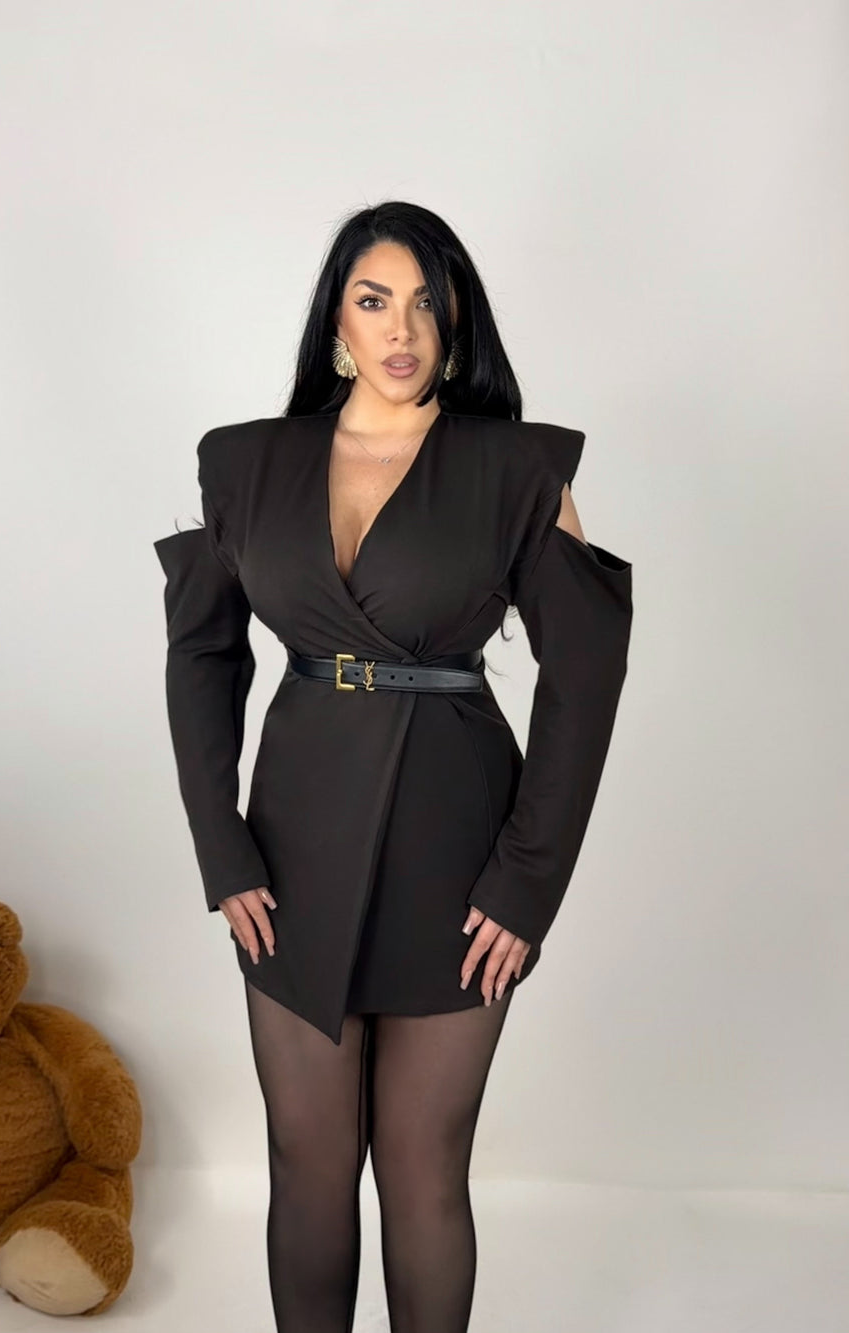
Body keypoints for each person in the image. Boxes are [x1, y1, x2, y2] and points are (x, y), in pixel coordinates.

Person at [154, 200, 633, 1333]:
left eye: (426, 302)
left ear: (456, 321)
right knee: (306, 1161)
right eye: (374, 301)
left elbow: (586, 676)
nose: (401, 328)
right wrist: (220, 843)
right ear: (337, 322)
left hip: (457, 843)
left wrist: (528, 881)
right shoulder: (244, 462)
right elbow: (202, 653)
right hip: (292, 843)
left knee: (423, 1164)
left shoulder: (518, 467)